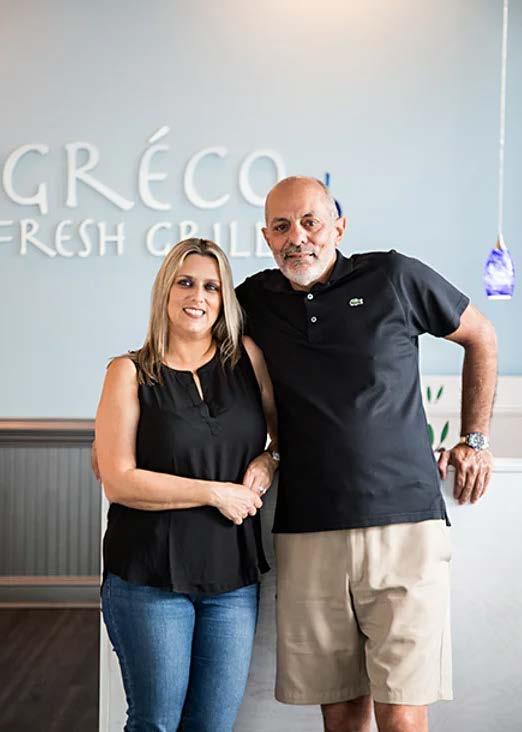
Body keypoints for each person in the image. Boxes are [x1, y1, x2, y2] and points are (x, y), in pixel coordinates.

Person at [234, 176, 497, 732]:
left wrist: (474, 440)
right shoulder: (253, 300)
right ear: (266, 237)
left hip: (405, 524)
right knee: (341, 717)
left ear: (339, 227)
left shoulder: (393, 277)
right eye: (281, 226)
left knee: (402, 714)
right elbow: (190, 348)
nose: (297, 237)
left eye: (310, 222)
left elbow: (481, 336)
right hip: (307, 530)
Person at [95, 237, 279, 732]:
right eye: (186, 283)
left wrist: (269, 459)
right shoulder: (128, 372)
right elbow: (119, 481)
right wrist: (215, 492)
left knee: (212, 727)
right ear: (166, 291)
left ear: (224, 299)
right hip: (149, 577)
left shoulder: (248, 358)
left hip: (232, 580)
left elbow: (281, 436)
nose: (198, 296)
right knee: (155, 723)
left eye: (212, 287)